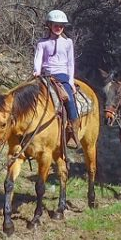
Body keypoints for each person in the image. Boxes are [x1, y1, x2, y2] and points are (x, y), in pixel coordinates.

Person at [33, 9, 80, 147]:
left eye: (61, 25)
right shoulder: (42, 43)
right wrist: (36, 71)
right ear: (49, 25)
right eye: (56, 25)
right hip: (46, 75)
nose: (58, 28)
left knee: (69, 99)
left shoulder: (68, 42)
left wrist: (70, 81)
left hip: (62, 76)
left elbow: (71, 63)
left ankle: (73, 132)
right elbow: (38, 59)